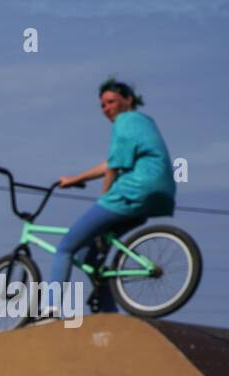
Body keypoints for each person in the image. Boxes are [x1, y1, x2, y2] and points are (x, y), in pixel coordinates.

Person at [50, 77, 175, 315]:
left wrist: (103, 199)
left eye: (111, 102)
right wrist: (75, 179)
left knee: (65, 248)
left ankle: (50, 308)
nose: (107, 109)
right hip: (156, 197)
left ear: (128, 100)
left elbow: (113, 168)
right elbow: (111, 163)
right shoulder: (144, 123)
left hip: (133, 192)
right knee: (89, 257)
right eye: (103, 105)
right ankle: (109, 312)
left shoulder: (125, 121)